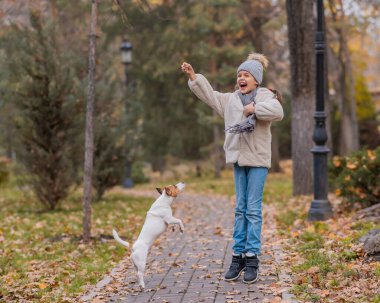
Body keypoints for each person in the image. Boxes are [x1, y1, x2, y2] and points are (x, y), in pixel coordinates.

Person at [181, 53, 284, 284]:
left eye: (246, 75)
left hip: (257, 161)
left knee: (253, 210)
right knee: (240, 208)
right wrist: (194, 76)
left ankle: (252, 259)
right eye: (239, 75)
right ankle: (237, 258)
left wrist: (254, 110)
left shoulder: (266, 95)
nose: (241, 78)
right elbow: (210, 96)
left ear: (256, 80)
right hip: (238, 160)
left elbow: (278, 112)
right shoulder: (231, 100)